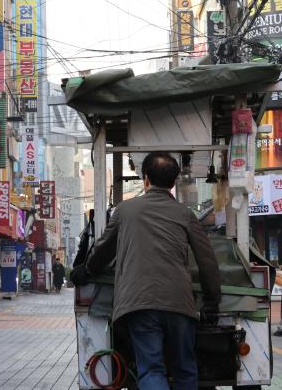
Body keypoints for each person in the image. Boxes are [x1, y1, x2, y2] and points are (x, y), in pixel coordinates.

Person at [71, 152, 221, 390]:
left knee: (151, 369)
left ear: (146, 178)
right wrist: (212, 299)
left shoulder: (125, 210)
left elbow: (103, 250)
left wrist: (87, 269)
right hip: (180, 304)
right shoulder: (185, 214)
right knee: (184, 369)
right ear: (173, 182)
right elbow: (207, 260)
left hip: (139, 303)